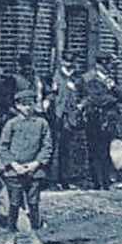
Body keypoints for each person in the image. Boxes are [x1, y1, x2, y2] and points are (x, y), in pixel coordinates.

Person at [0, 87, 54, 244]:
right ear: (17, 106)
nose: (27, 108)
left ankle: (34, 234)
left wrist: (36, 163)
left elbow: (47, 146)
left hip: (34, 170)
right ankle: (11, 234)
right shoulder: (11, 124)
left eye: (30, 104)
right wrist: (14, 165)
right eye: (23, 105)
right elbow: (3, 146)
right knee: (14, 204)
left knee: (34, 203)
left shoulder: (41, 123)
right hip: (15, 171)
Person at [82, 55, 119, 190]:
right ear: (100, 65)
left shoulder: (109, 80)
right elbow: (95, 98)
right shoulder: (89, 78)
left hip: (107, 120)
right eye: (107, 65)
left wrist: (113, 88)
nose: (109, 68)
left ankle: (105, 180)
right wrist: (112, 98)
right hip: (95, 119)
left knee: (105, 150)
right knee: (95, 151)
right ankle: (97, 181)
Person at [48, 59, 81, 188]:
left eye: (72, 65)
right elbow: (50, 95)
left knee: (67, 149)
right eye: (68, 65)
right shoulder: (55, 78)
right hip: (57, 117)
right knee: (53, 148)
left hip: (70, 118)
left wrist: (80, 105)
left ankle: (65, 179)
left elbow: (84, 95)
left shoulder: (75, 79)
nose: (71, 68)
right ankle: (52, 180)